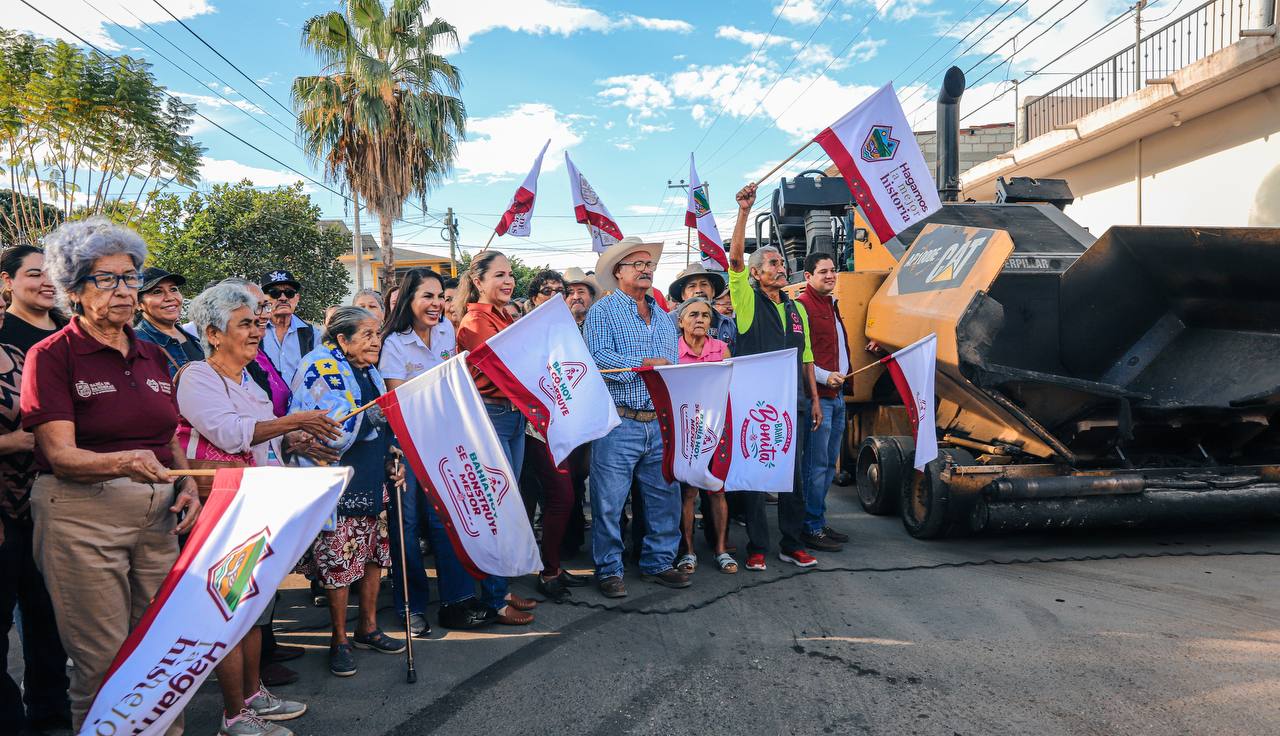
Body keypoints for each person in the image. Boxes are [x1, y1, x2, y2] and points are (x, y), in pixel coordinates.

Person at [20, 217, 201, 733]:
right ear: (75, 290)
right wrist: (125, 463)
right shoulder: (52, 355)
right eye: (107, 279)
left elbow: (166, 435)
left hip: (158, 516)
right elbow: (60, 454)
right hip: (82, 518)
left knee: (164, 650)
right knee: (103, 661)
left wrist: (185, 480)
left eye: (130, 277)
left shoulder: (152, 353)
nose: (124, 290)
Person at [180, 282, 342, 736]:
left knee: (253, 611)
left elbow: (263, 440)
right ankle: (232, 715)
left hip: (256, 508)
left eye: (258, 322)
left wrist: (296, 439)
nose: (257, 330)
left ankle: (253, 695)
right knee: (228, 615)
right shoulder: (197, 376)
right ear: (213, 333)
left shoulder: (248, 379)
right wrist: (296, 419)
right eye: (245, 323)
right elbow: (231, 434)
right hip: (220, 512)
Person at [379, 268, 498, 631]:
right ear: (409, 301)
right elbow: (398, 403)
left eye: (440, 297)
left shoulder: (446, 330)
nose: (436, 304)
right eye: (426, 297)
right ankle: (409, 605)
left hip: (444, 438)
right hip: (406, 442)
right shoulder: (393, 343)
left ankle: (457, 599)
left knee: (450, 517)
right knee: (408, 524)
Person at [292, 307, 405, 677]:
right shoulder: (321, 365)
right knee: (339, 564)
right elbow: (334, 431)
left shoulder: (368, 368)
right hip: (339, 481)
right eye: (368, 335)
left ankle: (367, 627)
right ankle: (338, 638)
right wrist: (371, 416)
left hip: (373, 475)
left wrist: (392, 454)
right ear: (342, 339)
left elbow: (382, 417)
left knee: (374, 555)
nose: (376, 341)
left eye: (378, 334)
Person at [583, 236, 688, 598]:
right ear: (618, 272)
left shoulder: (663, 317)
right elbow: (596, 362)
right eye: (638, 265)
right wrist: (645, 367)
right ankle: (609, 569)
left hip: (658, 421)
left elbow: (671, 367)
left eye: (649, 265)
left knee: (664, 497)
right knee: (609, 502)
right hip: (619, 422)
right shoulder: (602, 312)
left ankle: (659, 562)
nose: (646, 270)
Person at [728, 183, 823, 571]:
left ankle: (791, 542)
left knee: (793, 476)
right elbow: (734, 259)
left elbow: (807, 358)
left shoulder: (797, 310)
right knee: (754, 472)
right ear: (755, 273)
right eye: (772, 264)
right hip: (755, 404)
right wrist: (744, 212)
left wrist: (814, 399)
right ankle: (756, 545)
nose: (780, 269)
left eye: (781, 264)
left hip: (794, 404)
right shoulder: (747, 301)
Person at [454, 252, 539, 625]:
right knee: (494, 509)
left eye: (510, 275)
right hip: (491, 415)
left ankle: (499, 588)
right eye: (499, 275)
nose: (508, 281)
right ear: (478, 281)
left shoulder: (505, 316)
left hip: (513, 415)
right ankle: (492, 599)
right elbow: (511, 366)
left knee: (508, 506)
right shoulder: (475, 321)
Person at [0, 289, 71, 734]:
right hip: (4, 508)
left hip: (49, 503)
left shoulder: (42, 349)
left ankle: (49, 709)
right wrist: (17, 441)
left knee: (47, 617)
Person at [672, 296, 736, 575]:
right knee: (688, 492)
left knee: (717, 489)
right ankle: (688, 551)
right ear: (680, 320)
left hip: (717, 427)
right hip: (685, 429)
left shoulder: (721, 349)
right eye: (693, 314)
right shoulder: (672, 350)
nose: (700, 319)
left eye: (706, 316)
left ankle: (721, 549)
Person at [795, 252, 853, 551]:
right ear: (808, 276)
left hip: (837, 396)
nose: (830, 275)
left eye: (833, 270)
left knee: (828, 465)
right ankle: (809, 527)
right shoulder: (802, 306)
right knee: (815, 466)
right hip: (820, 398)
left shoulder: (831, 304)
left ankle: (817, 521)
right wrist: (823, 376)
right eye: (823, 272)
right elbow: (800, 354)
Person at [135, 267, 204, 376]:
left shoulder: (196, 338)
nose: (170, 297)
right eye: (157, 292)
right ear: (138, 304)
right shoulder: (135, 343)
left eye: (173, 289)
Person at [0, 244, 68, 355]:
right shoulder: (3, 333)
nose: (50, 283)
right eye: (35, 275)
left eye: (53, 275)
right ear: (8, 280)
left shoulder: (73, 327)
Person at [260, 269, 322, 385]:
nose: (283, 298)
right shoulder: (254, 331)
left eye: (289, 293)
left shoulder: (312, 334)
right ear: (263, 299)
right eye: (275, 293)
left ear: (297, 298)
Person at [666, 263, 736, 352]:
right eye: (692, 286)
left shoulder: (727, 323)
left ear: (713, 291)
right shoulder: (668, 322)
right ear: (683, 295)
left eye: (704, 284)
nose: (699, 290)